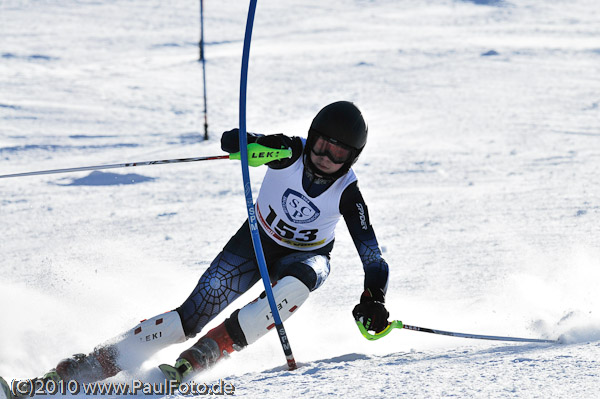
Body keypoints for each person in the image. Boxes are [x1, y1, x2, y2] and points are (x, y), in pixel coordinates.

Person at [38, 101, 390, 383]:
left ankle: (206, 354)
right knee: (188, 318)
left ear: (351, 159)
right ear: (311, 137)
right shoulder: (288, 153)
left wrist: (374, 299)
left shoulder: (349, 194)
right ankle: (91, 365)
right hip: (253, 243)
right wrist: (241, 142)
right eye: (322, 145)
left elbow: (373, 257)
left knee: (295, 287)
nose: (325, 157)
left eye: (338, 153)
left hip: (306, 258)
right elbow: (246, 142)